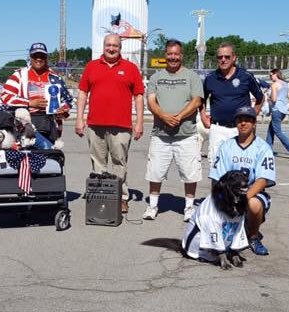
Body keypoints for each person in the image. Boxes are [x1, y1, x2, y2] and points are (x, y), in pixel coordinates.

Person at [74, 34, 145, 213]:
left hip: (121, 126)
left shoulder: (130, 68)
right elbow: (82, 93)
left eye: (115, 45)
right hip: (95, 125)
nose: (111, 48)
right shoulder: (91, 66)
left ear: (120, 48)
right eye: (108, 45)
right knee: (98, 164)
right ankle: (101, 197)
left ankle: (121, 198)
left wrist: (139, 122)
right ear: (103, 46)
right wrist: (79, 118)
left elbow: (138, 96)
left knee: (119, 163)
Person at [142, 39, 204, 221]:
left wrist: (179, 116)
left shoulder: (192, 77)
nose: (173, 57)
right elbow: (151, 101)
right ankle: (153, 206)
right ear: (165, 55)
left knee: (190, 173)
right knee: (155, 171)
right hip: (161, 135)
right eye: (170, 54)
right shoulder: (156, 77)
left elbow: (196, 101)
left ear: (181, 55)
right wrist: (163, 116)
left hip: (186, 135)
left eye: (176, 54)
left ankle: (189, 208)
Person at [210, 106, 276, 256]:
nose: (243, 123)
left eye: (247, 120)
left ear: (254, 124)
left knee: (253, 204)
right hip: (230, 194)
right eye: (240, 120)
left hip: (252, 193)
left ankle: (253, 236)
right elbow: (217, 177)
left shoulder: (263, 148)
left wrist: (242, 199)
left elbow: (263, 180)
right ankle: (228, 234)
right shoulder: (226, 146)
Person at [202, 42, 264, 162]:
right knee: (216, 168)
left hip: (240, 129)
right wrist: (203, 116)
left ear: (234, 57)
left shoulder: (245, 76)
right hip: (218, 129)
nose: (223, 60)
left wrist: (252, 116)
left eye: (227, 57)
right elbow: (201, 100)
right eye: (220, 57)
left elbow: (260, 97)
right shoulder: (210, 78)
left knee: (241, 167)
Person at [1, 42, 73, 142]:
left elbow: (68, 100)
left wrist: (63, 110)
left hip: (50, 125)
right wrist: (29, 103)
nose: (38, 59)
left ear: (46, 57)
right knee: (30, 155)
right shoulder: (19, 75)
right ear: (30, 57)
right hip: (24, 125)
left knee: (50, 156)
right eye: (35, 55)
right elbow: (5, 97)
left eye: (42, 56)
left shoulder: (55, 77)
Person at [265, 69, 289, 159]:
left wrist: (267, 98)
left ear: (275, 74)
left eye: (271, 75)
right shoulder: (285, 84)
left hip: (276, 109)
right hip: (283, 111)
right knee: (271, 130)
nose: (270, 77)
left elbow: (274, 99)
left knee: (277, 131)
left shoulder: (274, 85)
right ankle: (267, 151)